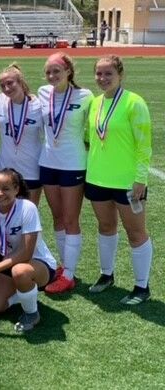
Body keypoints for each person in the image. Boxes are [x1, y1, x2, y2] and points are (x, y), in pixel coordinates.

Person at [85, 55, 153, 304]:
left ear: (120, 75)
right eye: (99, 74)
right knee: (106, 227)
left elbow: (144, 146)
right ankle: (106, 275)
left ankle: (142, 287)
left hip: (127, 182)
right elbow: (88, 139)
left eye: (108, 74)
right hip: (97, 179)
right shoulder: (94, 103)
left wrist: (140, 179)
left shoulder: (134, 103)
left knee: (136, 233)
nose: (102, 79)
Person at [37, 53, 93, 294]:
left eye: (57, 71)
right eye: (49, 71)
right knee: (57, 217)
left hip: (73, 164)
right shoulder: (42, 92)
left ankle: (69, 274)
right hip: (48, 162)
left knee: (71, 219)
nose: (52, 76)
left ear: (69, 71)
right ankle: (64, 267)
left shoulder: (85, 96)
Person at [0, 169, 57, 332]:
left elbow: (26, 253)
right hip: (9, 261)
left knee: (20, 271)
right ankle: (24, 293)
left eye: (6, 189)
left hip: (38, 264)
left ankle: (31, 313)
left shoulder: (27, 208)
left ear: (17, 189)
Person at [0, 64, 44, 205]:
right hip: (5, 168)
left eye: (10, 83)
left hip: (31, 168)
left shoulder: (38, 105)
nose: (6, 88)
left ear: (21, 82)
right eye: (2, 85)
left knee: (29, 213)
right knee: (5, 213)